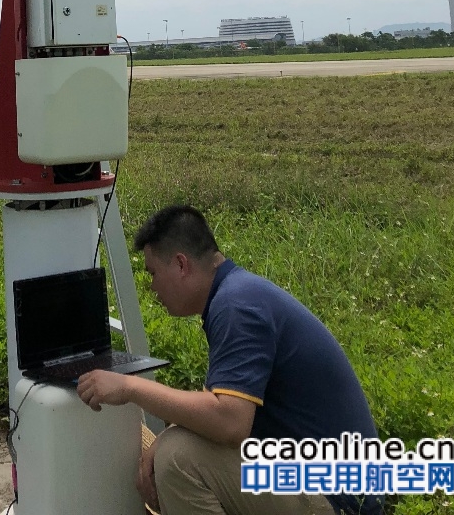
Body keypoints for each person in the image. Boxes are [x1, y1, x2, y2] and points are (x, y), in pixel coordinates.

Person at [75, 205, 383, 515]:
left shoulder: (237, 307)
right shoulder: (238, 293)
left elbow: (230, 422)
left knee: (177, 459)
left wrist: (129, 387)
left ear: (181, 264)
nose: (152, 286)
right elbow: (217, 406)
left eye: (153, 273)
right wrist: (166, 432)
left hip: (339, 502)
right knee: (175, 441)